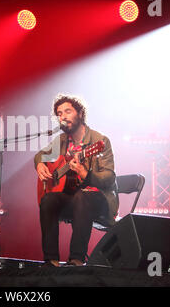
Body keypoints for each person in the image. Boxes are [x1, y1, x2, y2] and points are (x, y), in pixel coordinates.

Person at [34, 94, 118, 267]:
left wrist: (85, 174)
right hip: (73, 198)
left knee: (81, 196)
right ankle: (51, 260)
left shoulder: (99, 141)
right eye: (59, 113)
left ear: (80, 113)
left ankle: (77, 259)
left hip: (98, 198)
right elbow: (40, 154)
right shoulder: (62, 140)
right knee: (48, 199)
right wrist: (40, 164)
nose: (62, 117)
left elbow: (109, 178)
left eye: (67, 111)